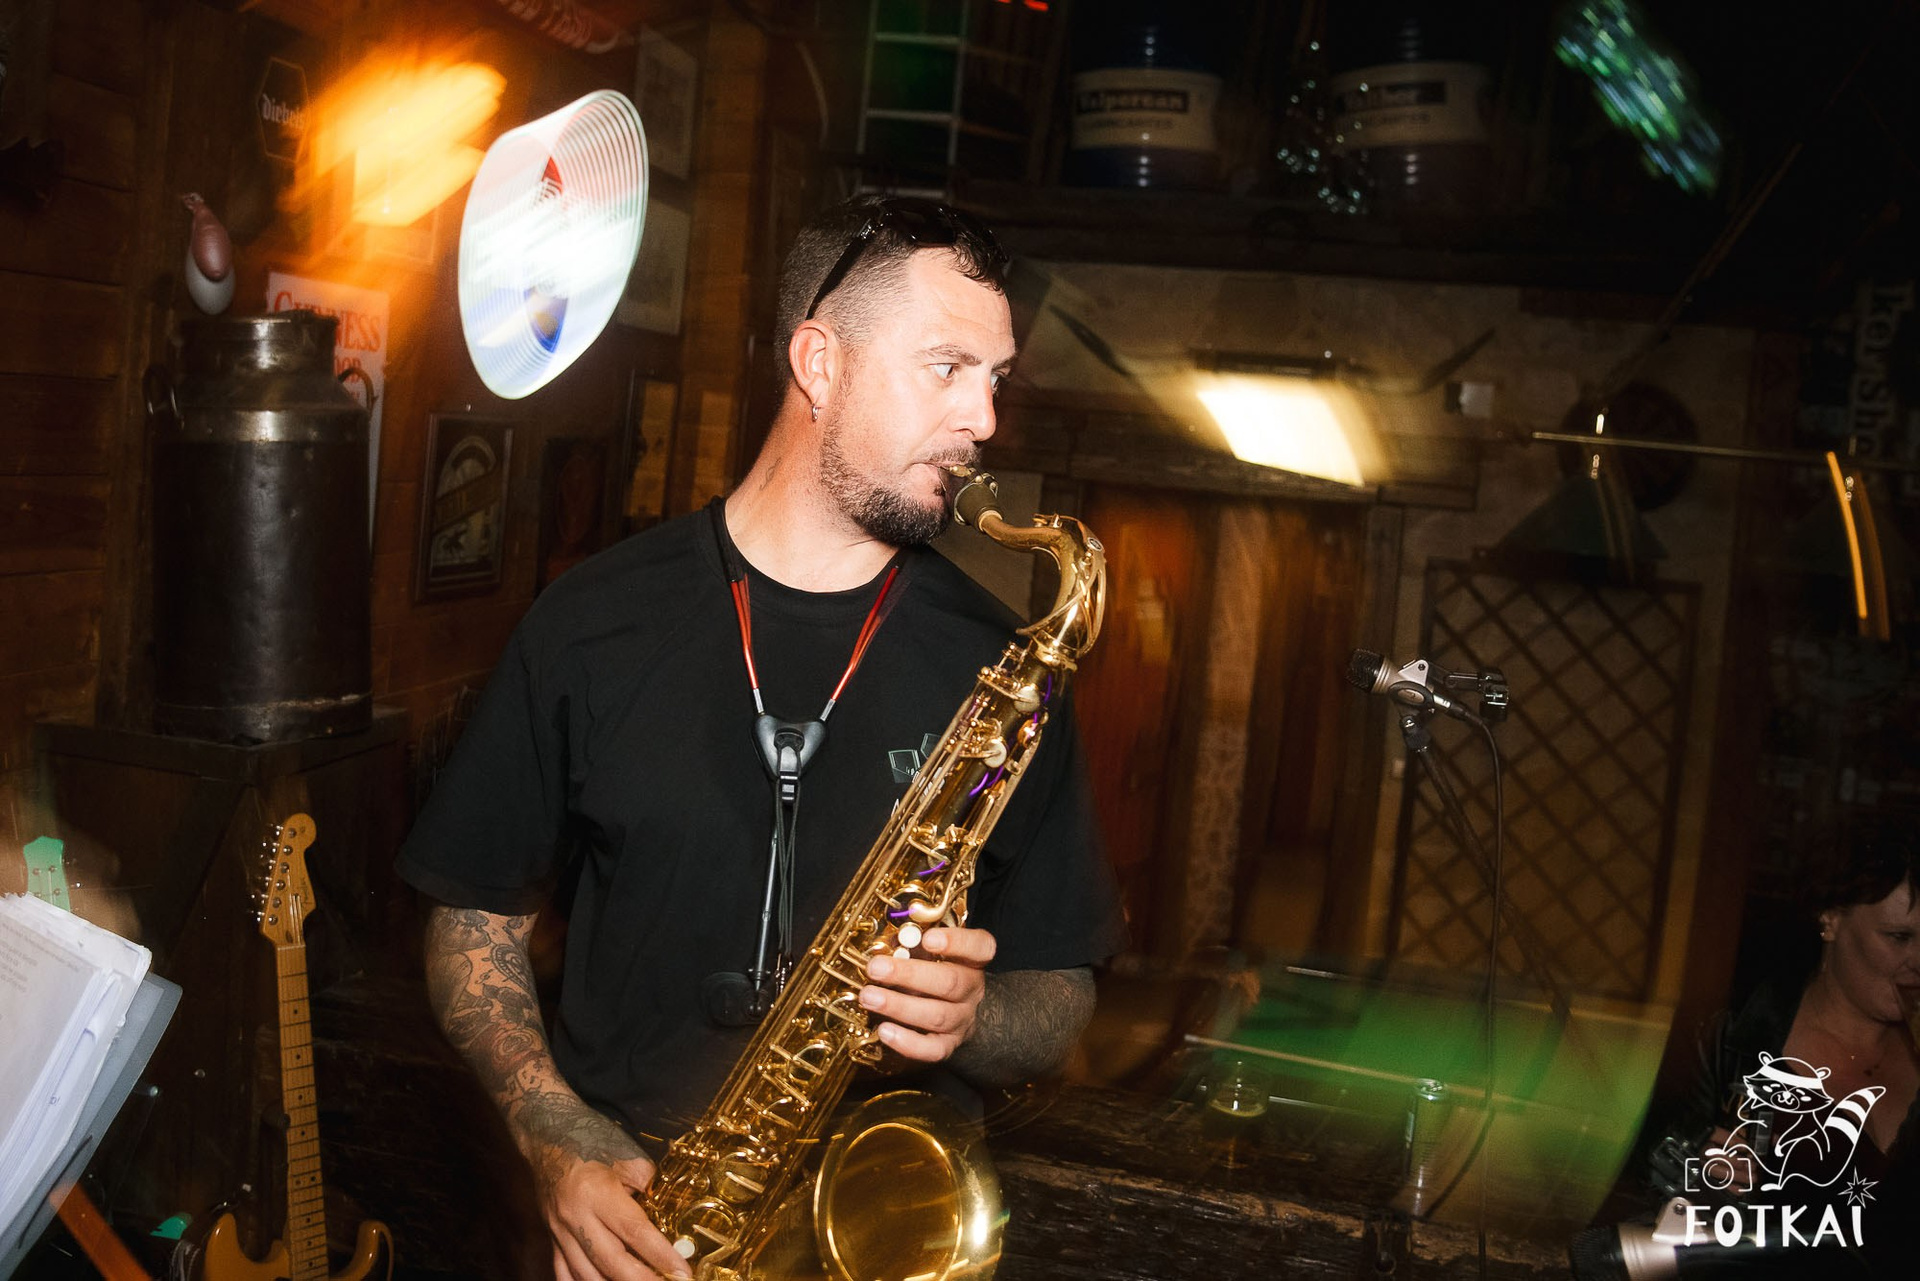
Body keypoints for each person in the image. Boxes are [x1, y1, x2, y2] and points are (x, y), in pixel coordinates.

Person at [397, 195, 1127, 1281]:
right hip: (644, 1230)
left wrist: (975, 1015)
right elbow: (473, 920)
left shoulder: (1006, 666)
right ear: (819, 363)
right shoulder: (590, 622)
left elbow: (1062, 992)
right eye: (946, 368)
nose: (982, 418)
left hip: (886, 1230)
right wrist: (551, 1130)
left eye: (995, 379)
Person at [1635, 820, 1918, 1275]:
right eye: (1899, 938)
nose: (1919, 961)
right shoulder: (1732, 1039)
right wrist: (1690, 1176)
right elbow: (1639, 1195)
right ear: (1831, 919)